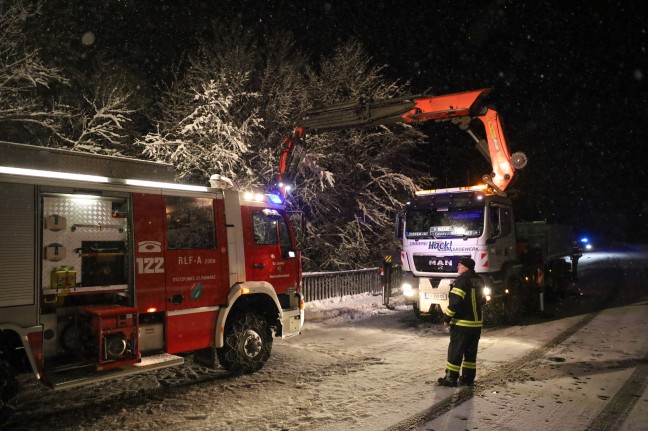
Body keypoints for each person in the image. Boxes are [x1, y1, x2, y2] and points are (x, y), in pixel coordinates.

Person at [437, 257, 484, 387]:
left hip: (462, 323)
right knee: (470, 352)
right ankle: (468, 378)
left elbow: (455, 302)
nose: (457, 267)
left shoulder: (462, 280)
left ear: (466, 267)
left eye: (459, 265)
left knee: (455, 351)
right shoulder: (480, 280)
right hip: (476, 324)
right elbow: (483, 300)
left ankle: (451, 378)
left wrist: (447, 318)